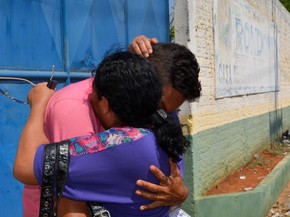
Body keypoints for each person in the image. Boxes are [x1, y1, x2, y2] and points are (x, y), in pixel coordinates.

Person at [14, 51, 190, 217]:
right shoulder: (166, 127)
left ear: (105, 105)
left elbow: (24, 166)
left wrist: (38, 105)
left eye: (93, 94)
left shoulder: (116, 144)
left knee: (70, 195)